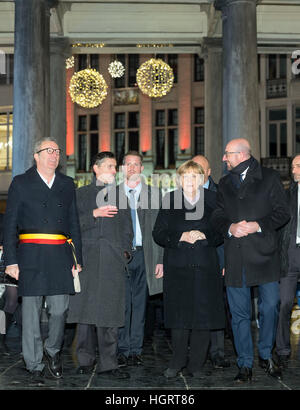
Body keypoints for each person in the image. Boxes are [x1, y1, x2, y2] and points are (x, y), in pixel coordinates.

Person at [3, 137, 82, 385]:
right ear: (36, 155)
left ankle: (52, 350)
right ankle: (34, 363)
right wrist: (11, 261)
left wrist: (77, 258)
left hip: (59, 254)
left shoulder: (67, 184)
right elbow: (9, 225)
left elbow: (74, 224)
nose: (54, 155)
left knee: (60, 311)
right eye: (49, 151)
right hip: (30, 255)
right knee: (30, 313)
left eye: (57, 151)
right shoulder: (21, 183)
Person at [211, 138, 290, 383]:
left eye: (227, 154)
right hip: (236, 255)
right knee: (239, 314)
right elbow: (217, 215)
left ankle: (266, 354)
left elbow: (282, 213)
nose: (224, 158)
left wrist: (257, 225)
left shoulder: (269, 178)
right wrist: (230, 227)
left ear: (242, 154)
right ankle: (244, 363)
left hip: (265, 255)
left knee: (270, 307)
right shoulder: (224, 183)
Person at [153, 160, 225, 378]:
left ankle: (196, 365)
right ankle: (177, 362)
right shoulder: (170, 200)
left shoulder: (213, 199)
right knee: (179, 316)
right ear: (179, 179)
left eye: (195, 176)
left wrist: (206, 236)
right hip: (177, 267)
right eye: (186, 176)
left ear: (202, 179)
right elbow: (158, 233)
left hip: (205, 266)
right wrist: (180, 236)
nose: (190, 181)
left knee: (203, 317)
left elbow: (223, 231)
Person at [67, 151, 133, 380]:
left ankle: (109, 363)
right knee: (85, 314)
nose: (114, 171)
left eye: (115, 167)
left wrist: (126, 252)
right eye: (110, 166)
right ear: (96, 168)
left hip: (113, 262)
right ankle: (84, 360)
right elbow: (71, 226)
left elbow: (127, 229)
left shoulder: (121, 196)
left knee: (110, 316)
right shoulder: (80, 194)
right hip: (87, 261)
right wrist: (94, 213)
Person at [117, 151, 163, 367]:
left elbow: (161, 232)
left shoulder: (154, 195)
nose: (133, 168)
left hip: (145, 254)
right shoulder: (112, 195)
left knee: (140, 304)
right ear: (123, 168)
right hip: (120, 257)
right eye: (128, 164)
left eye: (136, 164)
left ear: (142, 168)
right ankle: (122, 348)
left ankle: (135, 349)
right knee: (123, 304)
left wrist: (160, 260)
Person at [192, 155, 231, 369]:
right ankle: (197, 349)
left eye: (201, 169)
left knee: (215, 304)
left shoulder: (221, 195)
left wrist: (225, 261)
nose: (196, 172)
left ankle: (217, 352)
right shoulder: (183, 195)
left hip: (216, 258)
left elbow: (226, 232)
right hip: (191, 260)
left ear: (208, 173)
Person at [275, 154, 300, 369]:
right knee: (283, 303)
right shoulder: (286, 195)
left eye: (298, 166)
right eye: (293, 167)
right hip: (290, 254)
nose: (294, 171)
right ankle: (282, 349)